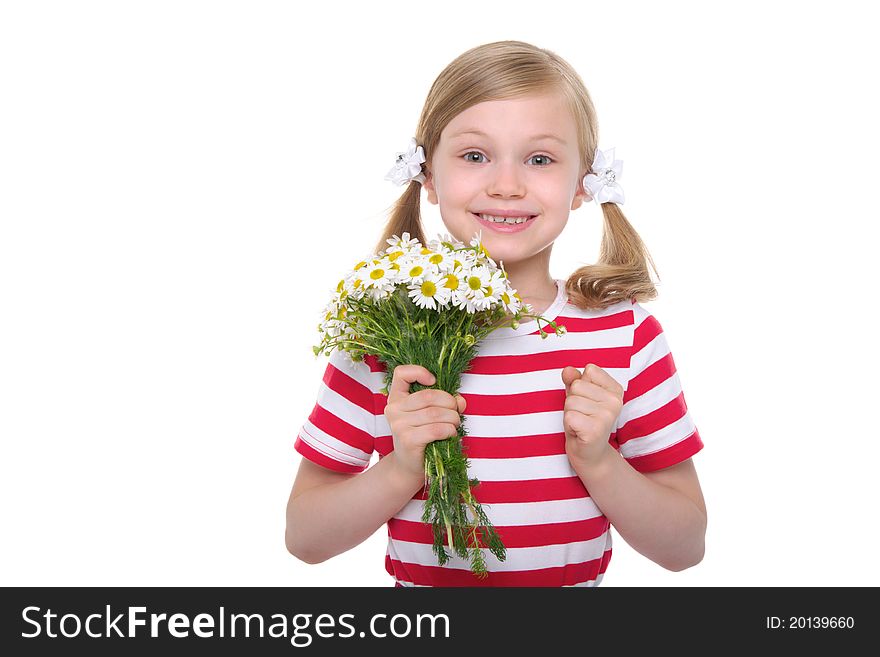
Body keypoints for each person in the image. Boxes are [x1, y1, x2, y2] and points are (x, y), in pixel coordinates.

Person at [285, 40, 706, 586]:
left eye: (540, 159)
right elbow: (304, 537)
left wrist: (600, 462)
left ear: (583, 183)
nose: (506, 185)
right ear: (427, 175)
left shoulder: (624, 335)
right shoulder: (382, 334)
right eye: (475, 155)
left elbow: (685, 546)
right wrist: (401, 467)